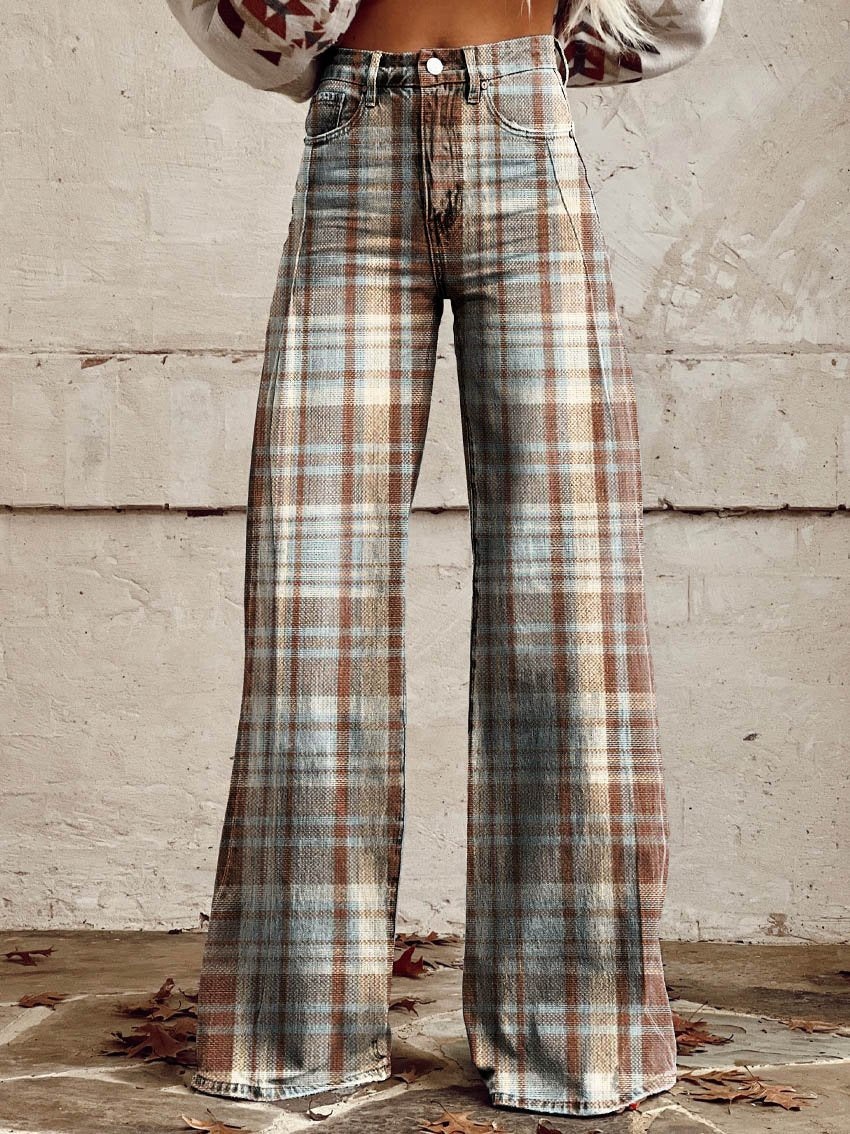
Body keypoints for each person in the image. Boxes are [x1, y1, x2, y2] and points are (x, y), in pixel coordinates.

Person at [164, 0, 723, 1119]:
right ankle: (293, 1035)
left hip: (524, 126)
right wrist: (302, 36)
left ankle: (581, 1038)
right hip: (351, 141)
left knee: (569, 611)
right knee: (311, 610)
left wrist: (547, 56)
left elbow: (676, 13)